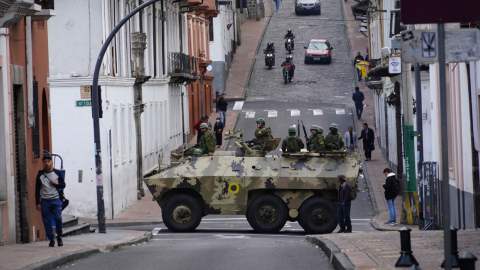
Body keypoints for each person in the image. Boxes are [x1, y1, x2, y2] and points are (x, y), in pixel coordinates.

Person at [35, 152, 65, 247]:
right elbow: (37, 189)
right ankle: (51, 238)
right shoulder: (40, 175)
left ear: (52, 162)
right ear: (43, 163)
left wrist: (56, 183)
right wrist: (37, 202)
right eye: (45, 162)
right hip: (45, 201)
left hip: (56, 200)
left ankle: (59, 236)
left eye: (49, 161)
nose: (47, 163)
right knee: (46, 221)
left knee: (58, 218)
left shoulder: (57, 173)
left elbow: (63, 185)